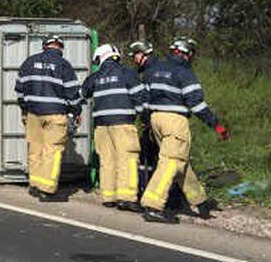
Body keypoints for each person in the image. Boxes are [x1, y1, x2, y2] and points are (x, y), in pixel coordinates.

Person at [137, 37, 229, 224]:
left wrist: (147, 123)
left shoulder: (153, 70)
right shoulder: (185, 73)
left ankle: (200, 201)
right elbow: (197, 104)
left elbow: (143, 100)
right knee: (171, 162)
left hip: (156, 120)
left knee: (181, 162)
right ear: (188, 54)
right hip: (175, 121)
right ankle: (153, 206)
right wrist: (217, 125)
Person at [79, 44, 146, 211]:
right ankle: (127, 198)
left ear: (101, 57)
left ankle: (109, 196)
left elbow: (81, 94)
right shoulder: (128, 73)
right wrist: (145, 119)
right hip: (123, 124)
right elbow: (140, 98)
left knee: (107, 160)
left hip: (101, 126)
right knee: (127, 158)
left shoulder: (95, 77)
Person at [15, 35, 81, 201]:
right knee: (52, 151)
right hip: (55, 114)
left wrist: (25, 109)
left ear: (45, 46)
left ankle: (35, 186)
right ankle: (48, 190)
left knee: (35, 149)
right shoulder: (64, 65)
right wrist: (76, 110)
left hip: (33, 114)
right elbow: (72, 93)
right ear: (60, 48)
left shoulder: (29, 62)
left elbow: (19, 90)